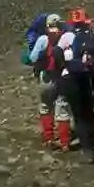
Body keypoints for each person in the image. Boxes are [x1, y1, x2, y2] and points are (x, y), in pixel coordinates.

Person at [55, 7, 94, 164]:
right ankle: (93, 141)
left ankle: (87, 150)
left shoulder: (66, 37)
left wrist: (63, 67)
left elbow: (57, 53)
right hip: (93, 78)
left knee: (79, 115)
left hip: (73, 78)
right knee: (90, 110)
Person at [28, 13, 72, 150]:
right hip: (63, 77)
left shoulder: (43, 39)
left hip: (46, 77)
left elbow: (32, 58)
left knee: (45, 106)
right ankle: (65, 142)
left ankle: (49, 138)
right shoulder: (66, 37)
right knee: (62, 108)